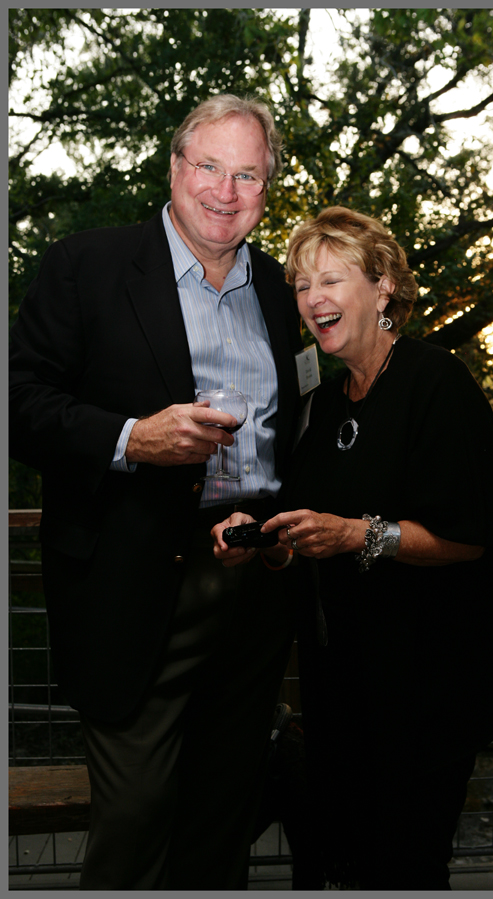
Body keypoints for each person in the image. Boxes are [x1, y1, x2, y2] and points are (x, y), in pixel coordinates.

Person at [9, 94, 305, 890]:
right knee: (137, 815)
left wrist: (271, 522)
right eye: (208, 166)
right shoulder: (86, 264)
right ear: (174, 169)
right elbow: (18, 399)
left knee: (222, 815)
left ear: (265, 188)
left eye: (246, 174)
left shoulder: (280, 290)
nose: (224, 191)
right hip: (132, 583)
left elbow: (288, 439)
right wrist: (129, 439)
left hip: (249, 583)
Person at [212, 206, 493, 890]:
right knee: (346, 859)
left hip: (429, 683)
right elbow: (304, 528)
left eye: (331, 279)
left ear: (382, 287)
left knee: (405, 865)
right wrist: (265, 542)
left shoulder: (435, 382)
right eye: (300, 285)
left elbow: (467, 538)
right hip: (345, 683)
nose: (312, 298)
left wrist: (359, 534)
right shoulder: (322, 404)